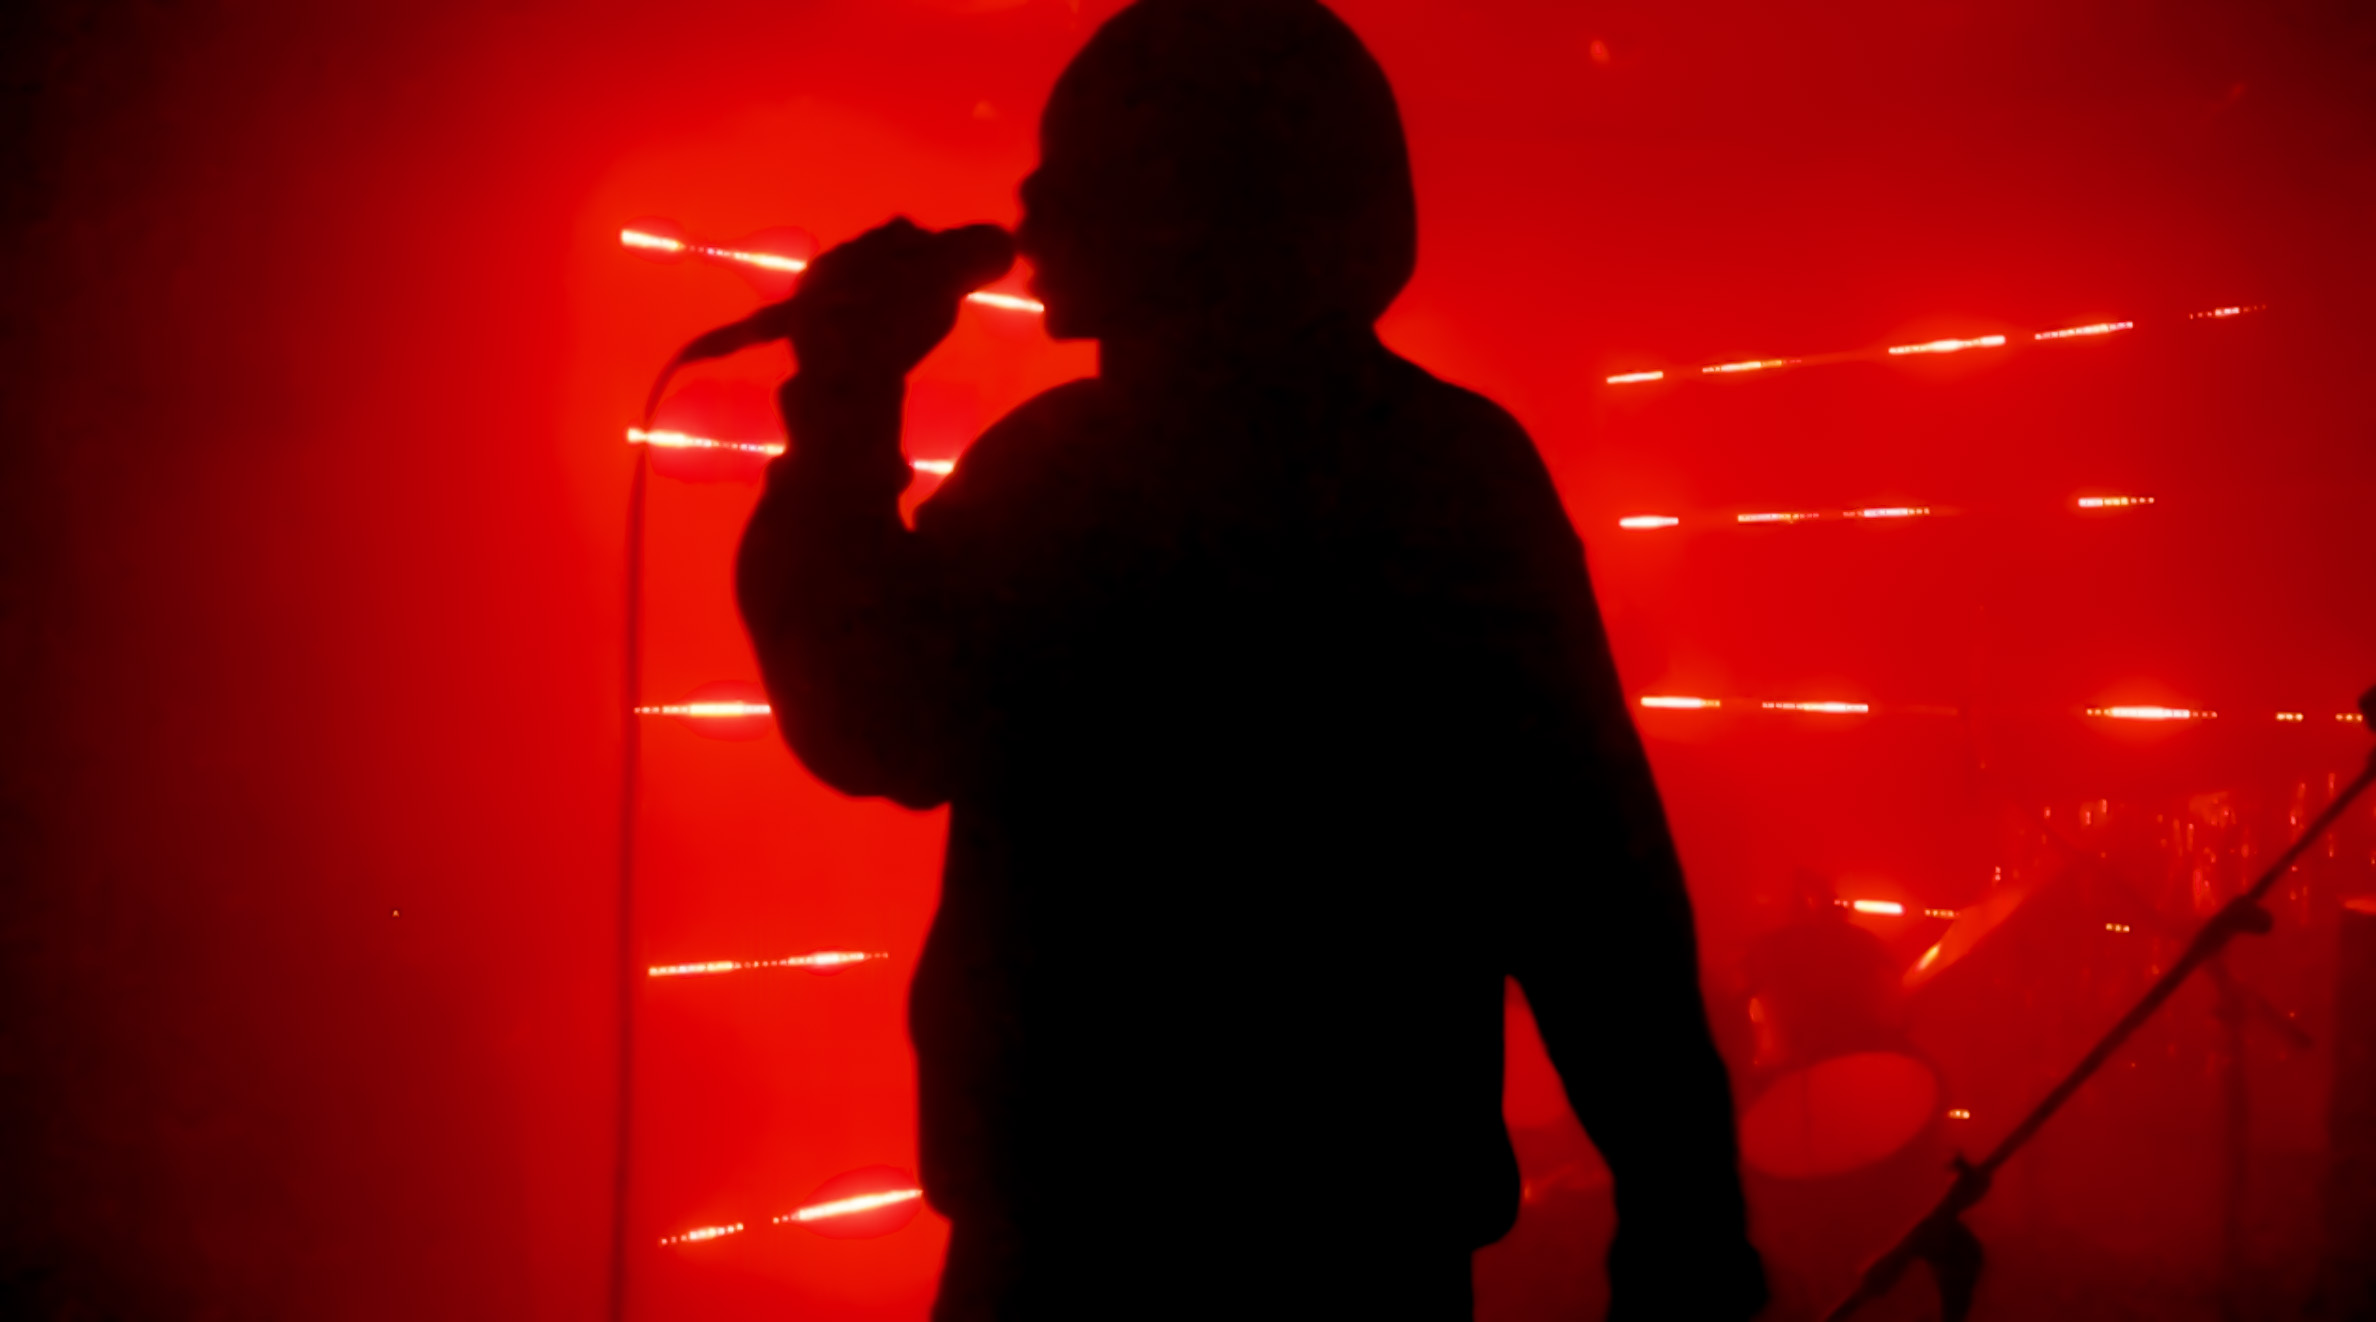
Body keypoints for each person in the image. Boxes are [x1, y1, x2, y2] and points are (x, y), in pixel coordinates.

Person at [736, 1, 1765, 1316]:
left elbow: (873, 719)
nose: (1037, 195)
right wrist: (1685, 1213)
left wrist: (842, 402)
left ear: (1191, 196)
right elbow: (1590, 878)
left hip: (1069, 1233)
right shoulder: (1444, 472)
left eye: (1080, 158)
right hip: (1351, 1232)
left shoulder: (1061, 474)